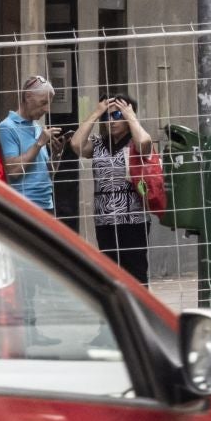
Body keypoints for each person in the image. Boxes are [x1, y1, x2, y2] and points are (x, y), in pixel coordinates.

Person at [70, 92, 155, 283]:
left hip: (133, 219)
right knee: (110, 277)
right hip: (105, 220)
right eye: (107, 116)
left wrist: (131, 116)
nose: (111, 121)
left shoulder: (135, 141)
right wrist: (95, 113)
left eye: (117, 115)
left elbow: (144, 143)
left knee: (136, 274)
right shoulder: (98, 143)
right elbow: (76, 144)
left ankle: (138, 303)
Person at [0, 75, 62, 215]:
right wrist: (38, 144)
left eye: (49, 103)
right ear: (28, 96)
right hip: (23, 206)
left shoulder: (37, 127)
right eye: (43, 102)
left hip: (46, 203)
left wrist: (56, 155)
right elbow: (13, 171)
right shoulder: (6, 127)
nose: (47, 109)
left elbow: (48, 174)